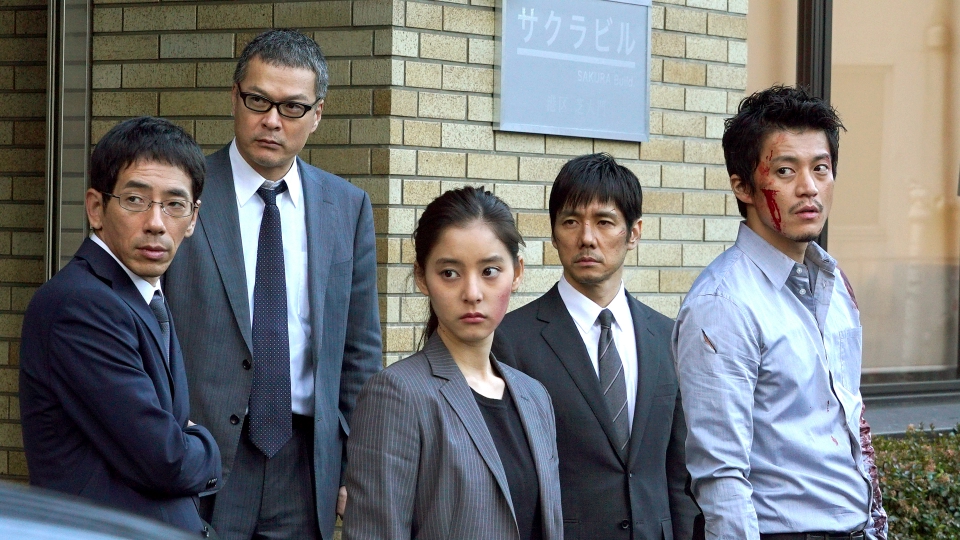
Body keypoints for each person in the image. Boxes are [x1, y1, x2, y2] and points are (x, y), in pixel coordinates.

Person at [163, 29, 382, 539]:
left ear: (317, 114)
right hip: (200, 456)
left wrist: (355, 458)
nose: (272, 120)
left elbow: (359, 349)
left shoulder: (346, 206)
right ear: (234, 97)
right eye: (258, 100)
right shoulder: (181, 194)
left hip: (305, 463)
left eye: (293, 107)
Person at [672, 85, 887, 540]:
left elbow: (854, 426)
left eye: (821, 168)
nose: (809, 187)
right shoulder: (723, 303)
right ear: (742, 186)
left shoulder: (834, 285)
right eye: (785, 170)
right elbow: (721, 477)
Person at [19, 116, 221, 534]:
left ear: (193, 218)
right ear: (96, 208)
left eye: (174, 204)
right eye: (135, 200)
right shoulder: (81, 305)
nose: (156, 222)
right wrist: (207, 446)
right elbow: (164, 460)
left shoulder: (142, 294)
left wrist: (183, 437)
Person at [493, 153, 700, 540]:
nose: (586, 238)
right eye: (571, 222)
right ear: (554, 233)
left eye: (604, 222)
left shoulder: (667, 337)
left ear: (634, 233)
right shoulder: (511, 340)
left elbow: (680, 474)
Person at [343, 187, 563, 540]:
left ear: (517, 273)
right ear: (422, 277)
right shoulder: (397, 395)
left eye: (490, 271)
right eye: (449, 273)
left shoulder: (534, 396)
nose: (472, 293)